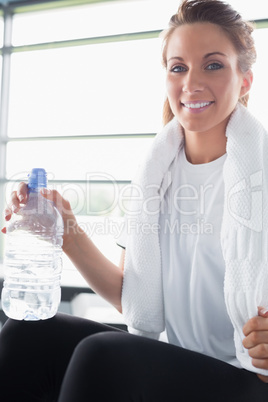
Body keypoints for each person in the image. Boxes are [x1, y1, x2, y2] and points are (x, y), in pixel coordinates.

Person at [1, 0, 268, 400]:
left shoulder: (259, 175)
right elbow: (136, 302)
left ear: (245, 79)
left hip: (248, 378)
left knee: (104, 353)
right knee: (30, 331)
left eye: (213, 65)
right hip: (176, 358)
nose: (191, 82)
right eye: (178, 67)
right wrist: (65, 229)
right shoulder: (155, 174)